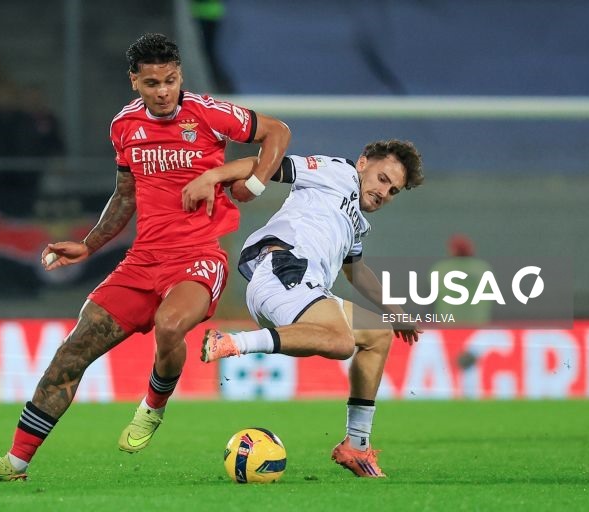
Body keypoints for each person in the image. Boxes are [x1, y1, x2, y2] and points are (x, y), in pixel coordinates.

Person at [0, 33, 290, 481]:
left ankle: (153, 406)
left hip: (197, 256)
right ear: (134, 80)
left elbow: (277, 132)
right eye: (152, 83)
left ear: (180, 76)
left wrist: (255, 184)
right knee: (71, 353)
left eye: (170, 80)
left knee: (170, 325)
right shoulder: (124, 125)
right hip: (141, 261)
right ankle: (15, 463)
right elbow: (125, 194)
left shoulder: (208, 113)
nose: (163, 91)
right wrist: (89, 244)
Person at [182, 140, 424, 478]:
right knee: (342, 342)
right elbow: (264, 163)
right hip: (283, 268)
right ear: (362, 163)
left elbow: (355, 271)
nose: (385, 192)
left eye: (393, 190)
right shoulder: (335, 171)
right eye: (382, 179)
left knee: (376, 334)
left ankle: (356, 445)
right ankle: (235, 342)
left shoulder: (355, 220)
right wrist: (213, 177)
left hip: (304, 288)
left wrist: (396, 312)